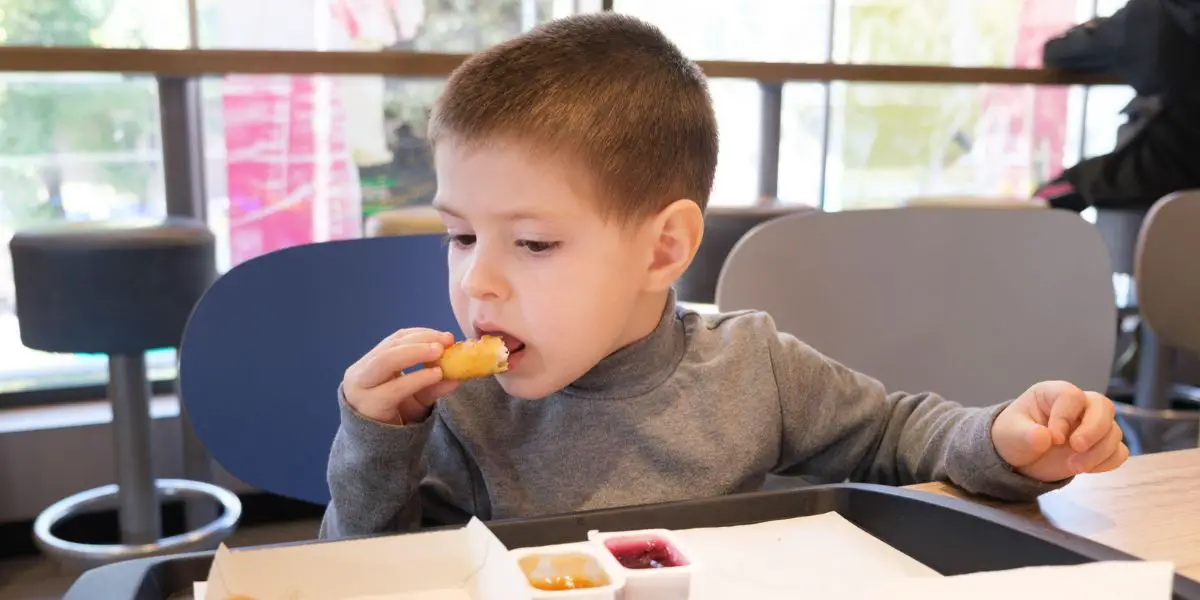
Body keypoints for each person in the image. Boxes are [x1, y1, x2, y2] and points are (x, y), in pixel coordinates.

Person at [320, 13, 1128, 539]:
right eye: (460, 235)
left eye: (532, 244)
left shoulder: (753, 369)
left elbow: (894, 436)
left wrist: (1005, 443)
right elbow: (363, 577)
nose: (478, 283)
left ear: (664, 249)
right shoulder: (465, 412)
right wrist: (374, 444)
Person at [1036, 0, 1200, 211]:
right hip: (1173, 173)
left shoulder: (1149, 17)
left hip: (1161, 173)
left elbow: (1059, 53)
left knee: (1050, 198)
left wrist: (1096, 27)